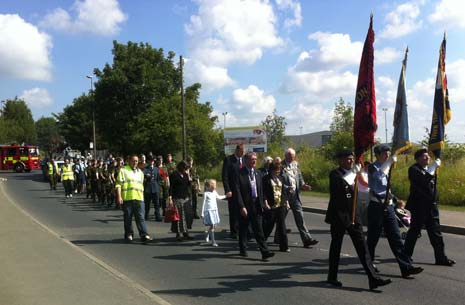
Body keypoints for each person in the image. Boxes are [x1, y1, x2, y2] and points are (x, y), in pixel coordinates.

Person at [325, 150, 392, 290]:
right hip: (339, 216)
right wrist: (353, 174)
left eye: (351, 159)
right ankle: (332, 277)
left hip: (354, 215)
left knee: (363, 248)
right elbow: (339, 189)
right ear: (340, 160)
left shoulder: (354, 174)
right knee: (336, 247)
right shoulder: (335, 174)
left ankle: (373, 279)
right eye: (347, 159)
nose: (350, 161)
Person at [366, 144, 423, 278]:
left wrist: (395, 199)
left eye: (388, 153)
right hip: (376, 207)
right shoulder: (373, 167)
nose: (387, 156)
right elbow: (378, 179)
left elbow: (385, 188)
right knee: (372, 239)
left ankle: (406, 267)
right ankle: (369, 264)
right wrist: (389, 163)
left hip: (389, 207)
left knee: (396, 238)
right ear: (378, 155)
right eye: (385, 154)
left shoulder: (386, 168)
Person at [404, 148, 455, 266]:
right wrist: (433, 167)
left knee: (436, 234)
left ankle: (441, 258)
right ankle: (406, 256)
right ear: (417, 159)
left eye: (428, 156)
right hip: (419, 207)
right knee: (414, 232)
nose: (427, 158)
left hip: (431, 207)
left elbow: (431, 187)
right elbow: (423, 180)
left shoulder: (429, 169)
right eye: (424, 156)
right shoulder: (413, 169)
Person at [234, 151, 274, 261]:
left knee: (259, 229)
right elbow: (237, 191)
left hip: (257, 205)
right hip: (245, 205)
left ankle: (264, 252)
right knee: (244, 228)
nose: (254, 161)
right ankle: (243, 248)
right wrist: (241, 206)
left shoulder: (258, 173)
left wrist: (264, 201)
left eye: (255, 159)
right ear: (246, 160)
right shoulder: (239, 173)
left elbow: (262, 189)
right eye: (252, 159)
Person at [281, 148, 319, 248]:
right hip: (284, 197)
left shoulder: (296, 164)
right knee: (281, 219)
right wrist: (285, 188)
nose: (292, 158)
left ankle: (307, 239)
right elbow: (277, 181)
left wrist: (303, 185)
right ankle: (278, 237)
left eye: (293, 156)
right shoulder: (280, 166)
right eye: (290, 156)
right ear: (286, 156)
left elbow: (300, 177)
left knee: (300, 218)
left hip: (295, 196)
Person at [115, 155, 152, 242]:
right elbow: (118, 185)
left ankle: (144, 234)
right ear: (129, 161)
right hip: (128, 198)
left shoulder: (140, 172)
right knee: (128, 218)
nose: (135, 163)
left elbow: (141, 185)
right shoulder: (123, 170)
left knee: (140, 217)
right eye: (133, 161)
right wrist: (119, 196)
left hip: (139, 198)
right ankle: (129, 234)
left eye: (136, 161)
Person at [263, 161, 290, 252]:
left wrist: (286, 201)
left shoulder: (281, 178)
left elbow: (283, 191)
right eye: (276, 170)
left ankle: (284, 246)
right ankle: (262, 242)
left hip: (280, 205)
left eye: (279, 170)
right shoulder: (265, 179)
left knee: (282, 226)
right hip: (271, 206)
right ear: (271, 170)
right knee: (269, 226)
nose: (278, 172)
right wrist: (265, 202)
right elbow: (263, 192)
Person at [222, 143, 245, 239]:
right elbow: (225, 176)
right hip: (232, 190)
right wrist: (227, 190)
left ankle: (243, 230)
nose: (243, 153)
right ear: (237, 150)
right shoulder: (229, 160)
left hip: (243, 190)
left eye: (244, 152)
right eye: (242, 151)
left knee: (243, 209)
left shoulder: (244, 160)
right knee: (234, 211)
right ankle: (234, 232)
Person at [169, 160, 193, 241]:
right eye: (184, 167)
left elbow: (188, 185)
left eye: (186, 168)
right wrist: (170, 198)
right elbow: (171, 187)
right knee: (178, 217)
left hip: (185, 197)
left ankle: (186, 232)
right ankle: (178, 233)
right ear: (180, 167)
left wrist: (189, 177)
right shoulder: (174, 175)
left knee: (186, 216)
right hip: (177, 197)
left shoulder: (185, 175)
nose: (185, 169)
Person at [201, 179, 226, 247]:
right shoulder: (206, 194)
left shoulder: (214, 192)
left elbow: (219, 197)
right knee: (212, 225)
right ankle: (213, 241)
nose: (216, 186)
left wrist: (226, 196)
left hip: (214, 211)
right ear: (211, 186)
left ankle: (207, 234)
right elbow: (203, 204)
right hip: (208, 211)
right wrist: (202, 213)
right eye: (214, 184)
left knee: (214, 225)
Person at [143, 156, 162, 221]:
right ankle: (146, 215)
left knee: (157, 203)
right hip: (148, 188)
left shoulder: (156, 169)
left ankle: (158, 216)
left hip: (155, 187)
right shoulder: (145, 169)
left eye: (153, 161)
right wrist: (146, 176)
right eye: (150, 161)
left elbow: (158, 178)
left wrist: (158, 186)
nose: (152, 162)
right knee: (147, 203)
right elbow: (143, 177)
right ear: (148, 161)